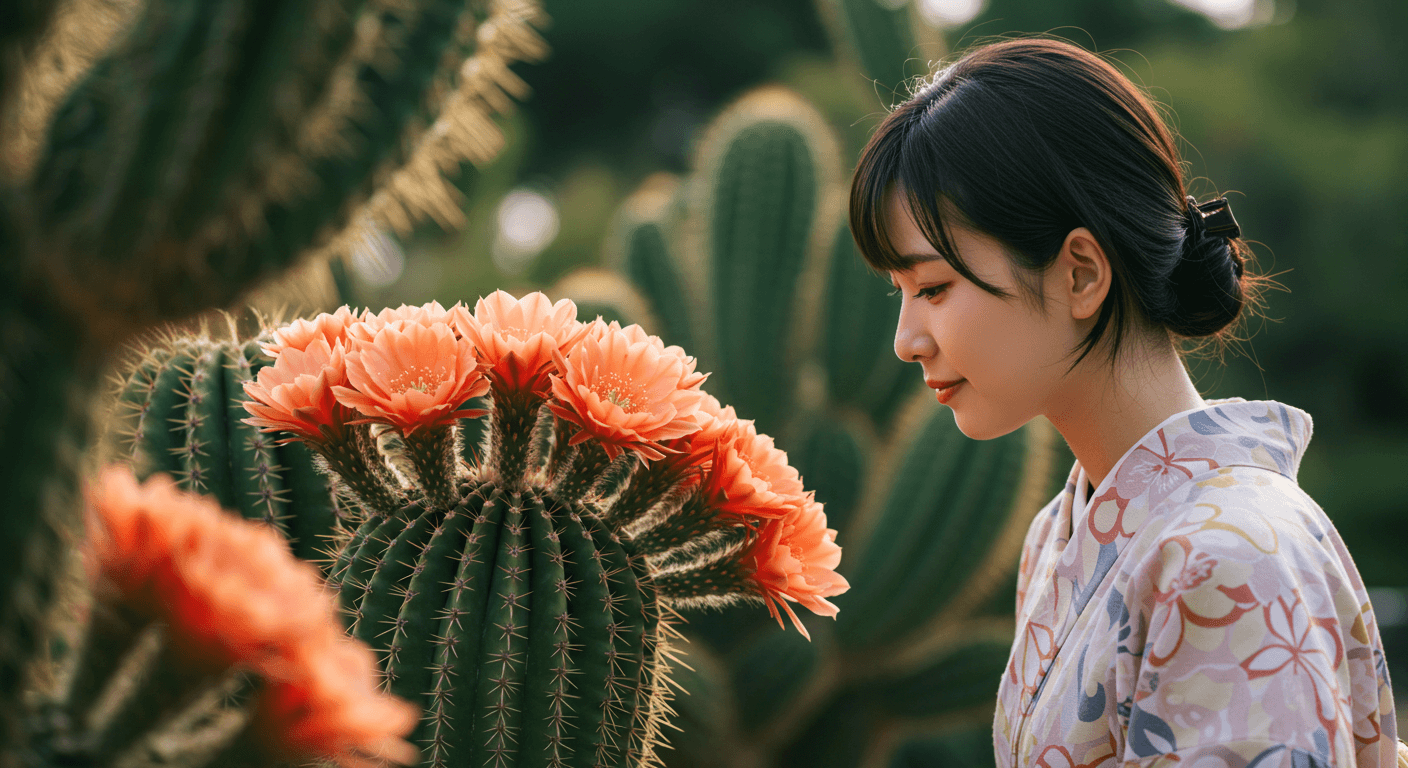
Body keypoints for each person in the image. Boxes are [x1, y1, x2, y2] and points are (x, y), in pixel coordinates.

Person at [847, 38, 1403, 768]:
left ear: (1081, 273)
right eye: (902, 295)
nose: (907, 340)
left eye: (934, 288)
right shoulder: (1062, 534)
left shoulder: (1229, 558)